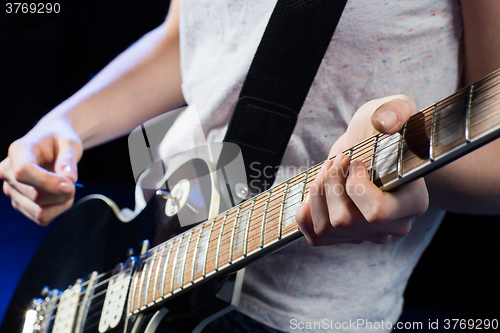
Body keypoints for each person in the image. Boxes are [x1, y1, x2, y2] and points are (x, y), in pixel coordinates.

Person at [1, 0, 500, 332]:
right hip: (147, 250)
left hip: (296, 317)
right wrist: (64, 125)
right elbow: (188, 37)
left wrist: (387, 157)